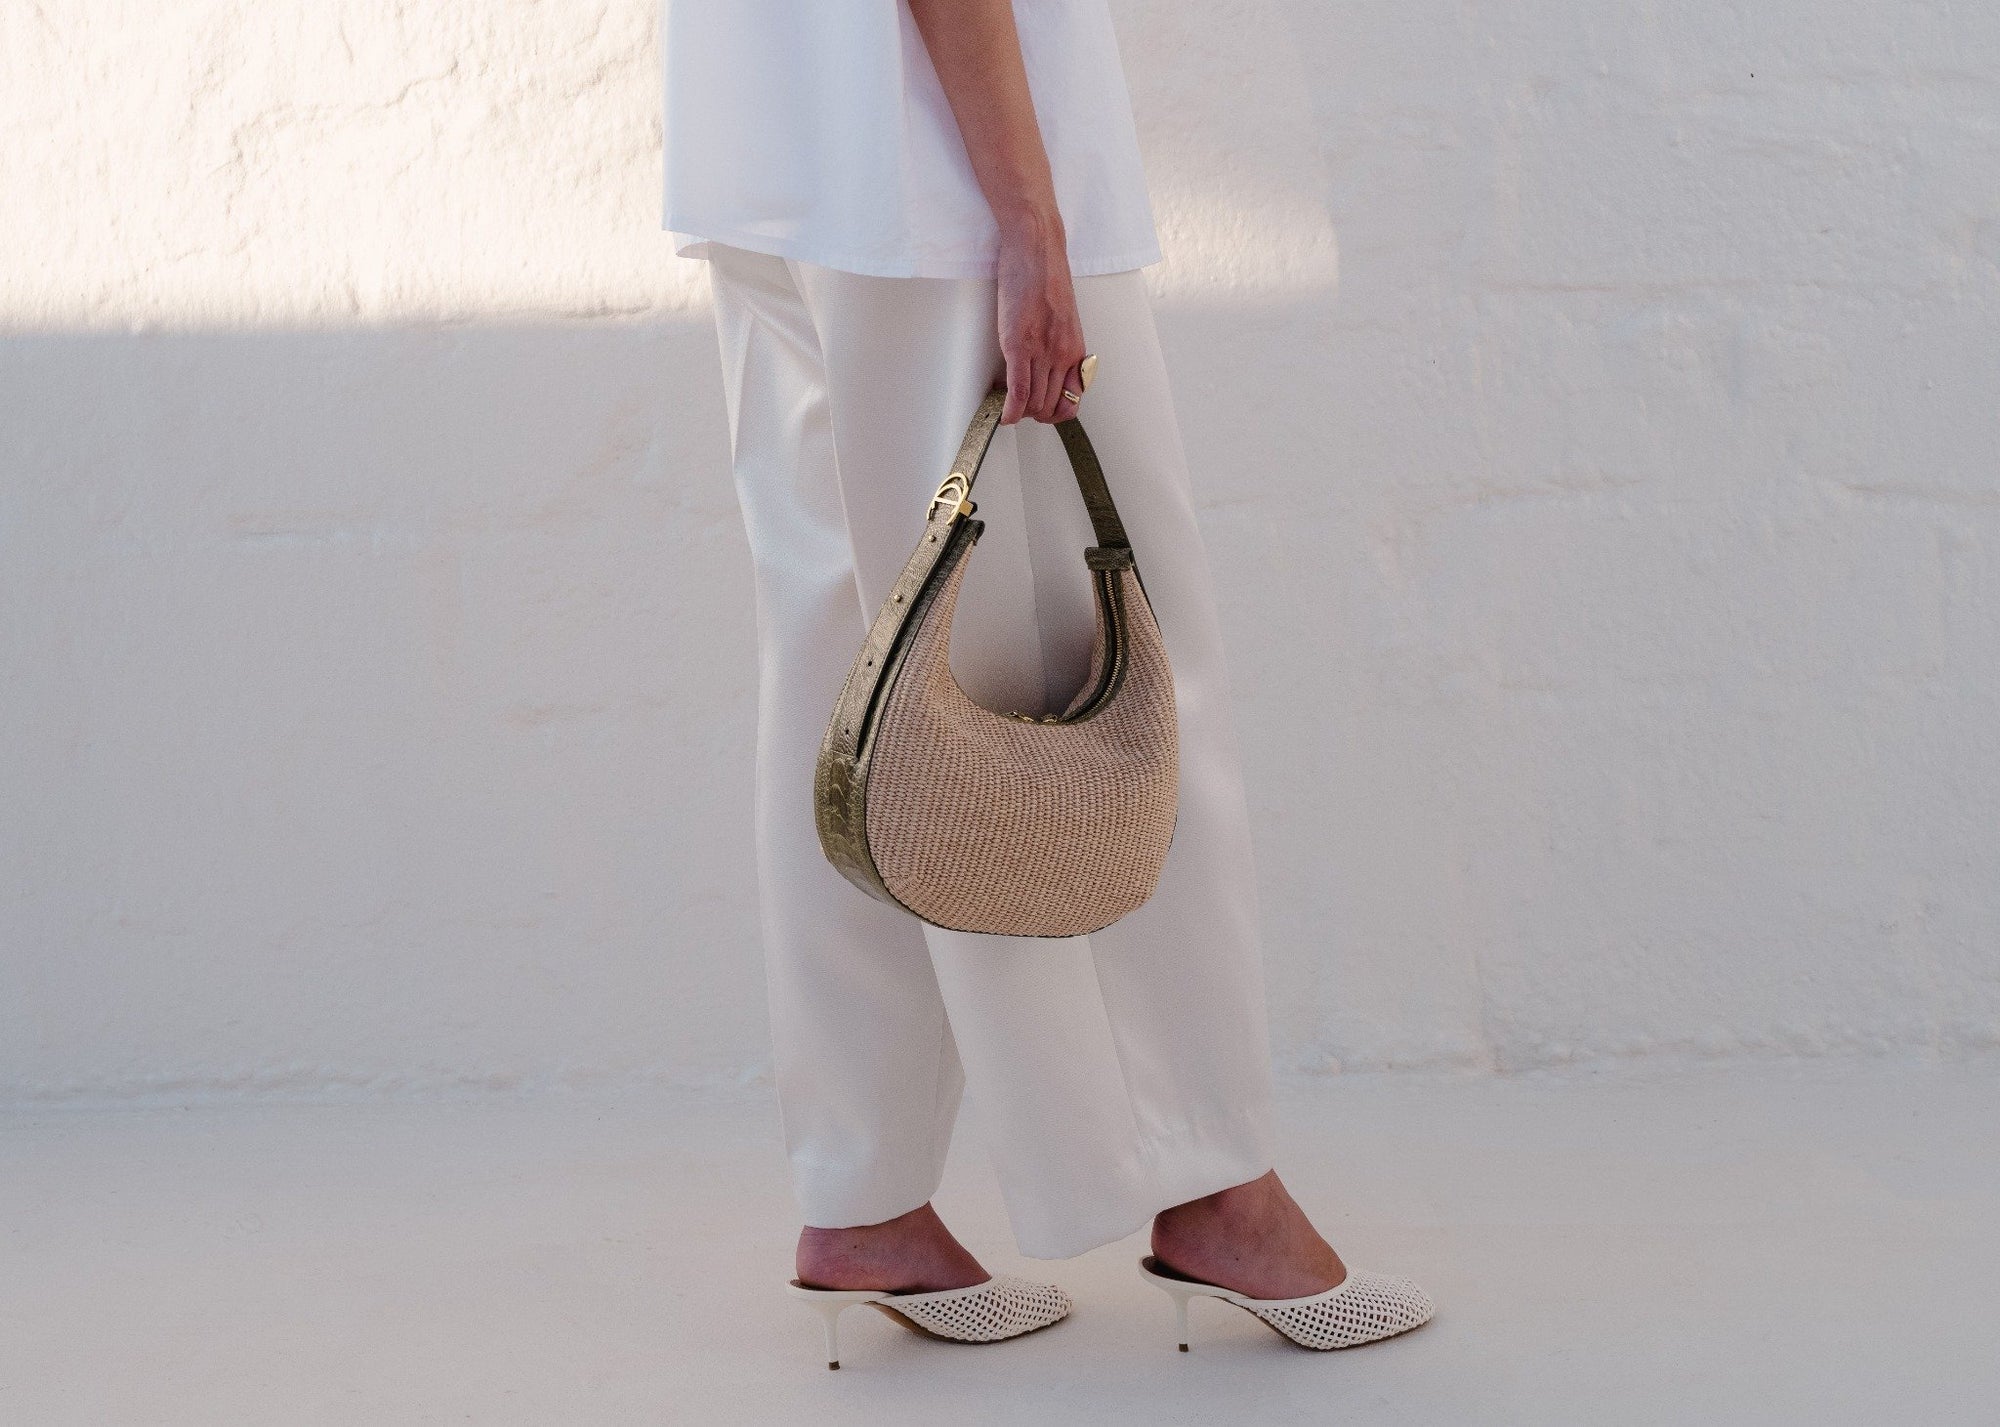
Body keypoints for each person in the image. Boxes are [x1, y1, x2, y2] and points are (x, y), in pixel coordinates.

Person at [661, 0, 1432, 1365]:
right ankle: (1213, 1187)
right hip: (940, 181)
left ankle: (864, 1194)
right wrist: (1033, 223)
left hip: (781, 163)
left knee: (860, 702)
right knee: (1095, 683)